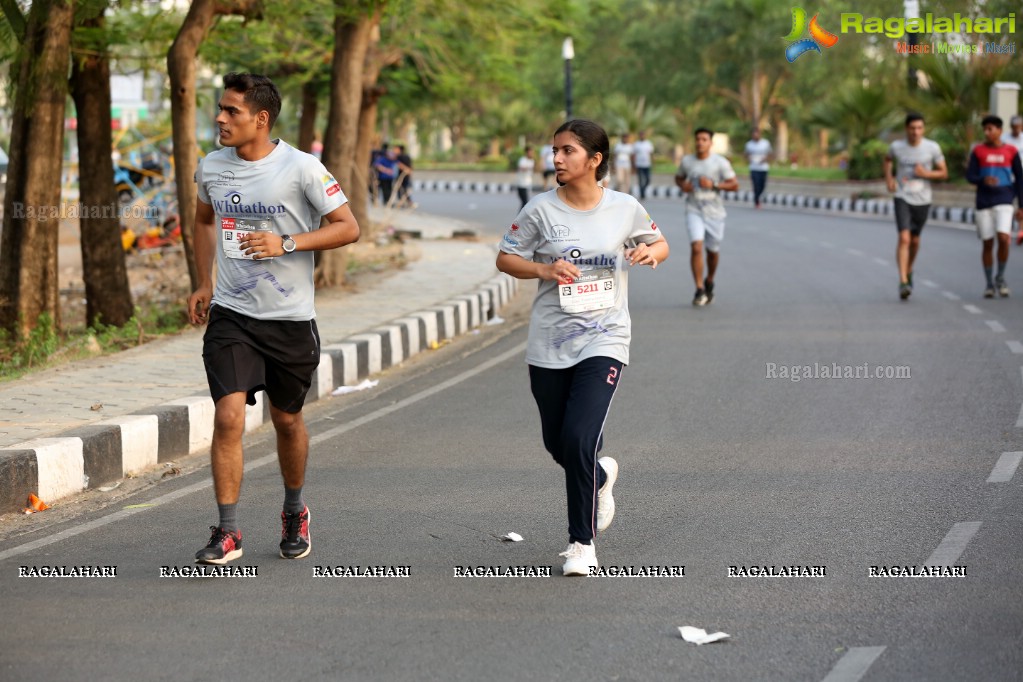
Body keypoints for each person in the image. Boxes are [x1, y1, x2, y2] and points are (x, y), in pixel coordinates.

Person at [188, 72, 360, 565]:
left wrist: (286, 242)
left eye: (231, 111)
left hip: (288, 319)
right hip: (232, 314)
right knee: (227, 415)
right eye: (219, 109)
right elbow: (203, 220)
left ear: (260, 119)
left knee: (287, 420)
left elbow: (347, 227)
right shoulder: (213, 167)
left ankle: (293, 510)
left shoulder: (303, 168)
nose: (220, 118)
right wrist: (202, 281)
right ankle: (228, 531)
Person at [496, 119, 669, 576]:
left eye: (568, 151)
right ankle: (602, 474)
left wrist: (651, 253)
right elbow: (506, 257)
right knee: (560, 444)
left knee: (578, 437)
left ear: (594, 160)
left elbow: (660, 242)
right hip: (549, 341)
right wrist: (544, 271)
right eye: (554, 150)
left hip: (605, 337)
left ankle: (581, 543)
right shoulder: (539, 210)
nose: (556, 158)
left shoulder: (624, 207)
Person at [883, 112, 948, 300]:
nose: (916, 132)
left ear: (924, 129)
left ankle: (909, 269)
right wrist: (889, 180)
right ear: (906, 129)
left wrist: (925, 173)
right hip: (902, 196)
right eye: (912, 128)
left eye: (919, 128)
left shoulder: (932, 148)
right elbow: (887, 160)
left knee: (915, 240)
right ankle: (903, 280)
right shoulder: (897, 147)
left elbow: (943, 172)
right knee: (904, 238)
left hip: (923, 199)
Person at [675, 127, 739, 306]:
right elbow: (679, 178)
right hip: (694, 209)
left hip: (715, 212)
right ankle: (699, 288)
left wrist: (714, 184)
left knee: (712, 252)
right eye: (697, 139)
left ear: (710, 143)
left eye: (704, 139)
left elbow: (734, 185)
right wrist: (684, 186)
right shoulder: (687, 161)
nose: (700, 142)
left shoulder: (720, 162)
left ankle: (710, 279)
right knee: (696, 246)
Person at [966, 115, 1023, 298]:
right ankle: (989, 283)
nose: (987, 133)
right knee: (988, 243)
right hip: (984, 202)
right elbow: (970, 176)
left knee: (1004, 238)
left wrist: (1021, 205)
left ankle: (1001, 276)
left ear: (999, 130)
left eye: (991, 129)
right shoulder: (978, 151)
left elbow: (1020, 178)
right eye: (985, 129)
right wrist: (983, 180)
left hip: (1005, 199)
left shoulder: (1011, 151)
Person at [1002, 116, 1023, 245]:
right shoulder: (1004, 139)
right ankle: (1006, 231)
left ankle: (1021, 231)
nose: (1016, 130)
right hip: (1009, 177)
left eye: (1019, 127)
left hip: (1022, 177)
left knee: (1022, 204)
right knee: (1007, 204)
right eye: (1014, 127)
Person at [744, 128, 773, 208]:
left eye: (757, 134)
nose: (755, 136)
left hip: (763, 167)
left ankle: (758, 196)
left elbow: (770, 154)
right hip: (753, 167)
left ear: (760, 134)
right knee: (756, 184)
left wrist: (765, 159)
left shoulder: (765, 143)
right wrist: (748, 158)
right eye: (754, 134)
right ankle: (756, 201)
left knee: (762, 185)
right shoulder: (749, 144)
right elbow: (745, 154)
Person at [632, 130, 654, 199]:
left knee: (648, 180)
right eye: (640, 135)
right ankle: (642, 194)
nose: (642, 136)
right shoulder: (636, 144)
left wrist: (653, 162)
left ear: (645, 136)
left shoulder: (648, 143)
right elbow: (634, 155)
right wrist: (634, 164)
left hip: (647, 164)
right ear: (639, 136)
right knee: (641, 180)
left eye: (643, 135)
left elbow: (651, 154)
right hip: (639, 164)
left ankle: (643, 189)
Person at [396, 144, 416, 209]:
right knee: (404, 189)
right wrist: (410, 171)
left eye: (396, 149)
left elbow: (399, 164)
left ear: (399, 149)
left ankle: (403, 202)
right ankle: (406, 202)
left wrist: (406, 170)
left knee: (401, 189)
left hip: (401, 175)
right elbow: (411, 165)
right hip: (407, 174)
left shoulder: (398, 156)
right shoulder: (407, 156)